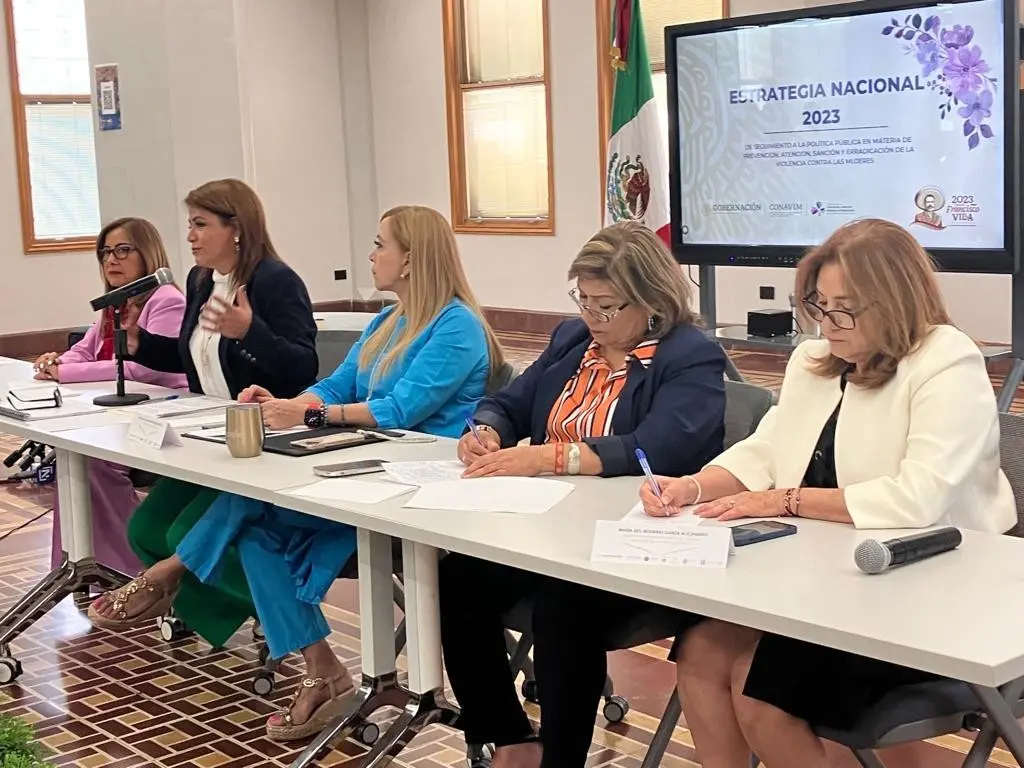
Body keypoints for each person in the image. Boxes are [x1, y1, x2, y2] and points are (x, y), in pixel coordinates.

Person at [99, 205, 505, 742]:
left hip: (418, 486)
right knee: (256, 532)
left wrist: (307, 416)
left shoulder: (457, 326)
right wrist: (287, 404)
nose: (371, 254)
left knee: (259, 502)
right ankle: (324, 668)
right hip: (366, 467)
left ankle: (172, 568)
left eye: (381, 244)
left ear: (411, 260)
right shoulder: (388, 322)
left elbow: (400, 409)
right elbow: (336, 387)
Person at [639, 218, 1015, 768]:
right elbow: (767, 451)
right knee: (698, 655)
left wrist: (784, 501)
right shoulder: (815, 361)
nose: (829, 324)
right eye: (820, 305)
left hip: (927, 594)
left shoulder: (946, 361)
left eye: (846, 309)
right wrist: (691, 487)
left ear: (895, 301)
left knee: (756, 688)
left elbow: (915, 499)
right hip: (820, 585)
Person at [440, 221, 727, 768]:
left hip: (637, 539)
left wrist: (545, 457)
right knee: (457, 577)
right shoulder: (573, 341)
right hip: (551, 526)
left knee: (561, 600)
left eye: (606, 307)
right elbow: (511, 400)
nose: (591, 318)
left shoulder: (689, 357)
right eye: (584, 301)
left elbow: (653, 448)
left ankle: (562, 759)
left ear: (651, 300)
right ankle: (512, 738)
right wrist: (487, 432)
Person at [87, 178, 318, 639]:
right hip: (205, 432)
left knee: (180, 538)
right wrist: (139, 343)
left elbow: (303, 367)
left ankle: (283, 619)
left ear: (236, 228)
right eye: (188, 225)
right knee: (146, 528)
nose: (189, 236)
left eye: (200, 225)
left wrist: (250, 332)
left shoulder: (275, 281)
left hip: (261, 437)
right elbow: (192, 355)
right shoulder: (200, 280)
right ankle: (210, 609)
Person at [34, 217, 186, 576]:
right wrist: (55, 362)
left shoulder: (166, 300)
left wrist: (67, 373)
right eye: (104, 253)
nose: (111, 260)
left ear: (147, 253)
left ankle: (134, 570)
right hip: (115, 411)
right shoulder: (115, 302)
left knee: (93, 460)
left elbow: (141, 369)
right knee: (71, 451)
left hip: (164, 411)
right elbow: (87, 350)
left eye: (122, 250)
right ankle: (79, 563)